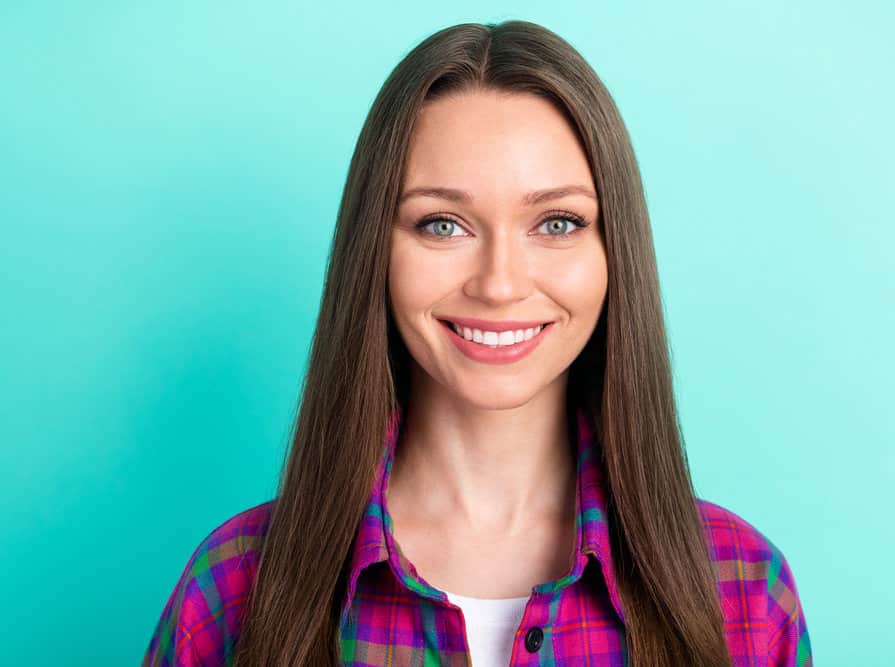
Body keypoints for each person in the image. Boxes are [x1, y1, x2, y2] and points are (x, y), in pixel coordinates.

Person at [142, 20, 812, 667]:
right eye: (442, 224)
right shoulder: (232, 588)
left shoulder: (743, 589)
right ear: (375, 247)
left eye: (556, 221)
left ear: (616, 253)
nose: (499, 284)